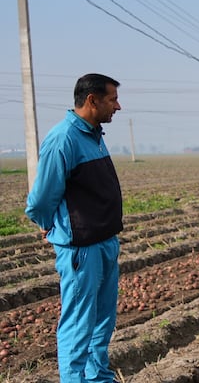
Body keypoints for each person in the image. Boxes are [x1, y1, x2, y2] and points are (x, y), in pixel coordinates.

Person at [25, 73, 123, 382]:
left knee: (102, 323)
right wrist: (47, 223)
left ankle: (98, 378)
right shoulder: (63, 138)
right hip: (81, 248)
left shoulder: (94, 135)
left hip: (105, 241)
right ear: (92, 100)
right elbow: (41, 198)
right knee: (79, 325)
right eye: (112, 99)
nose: (118, 106)